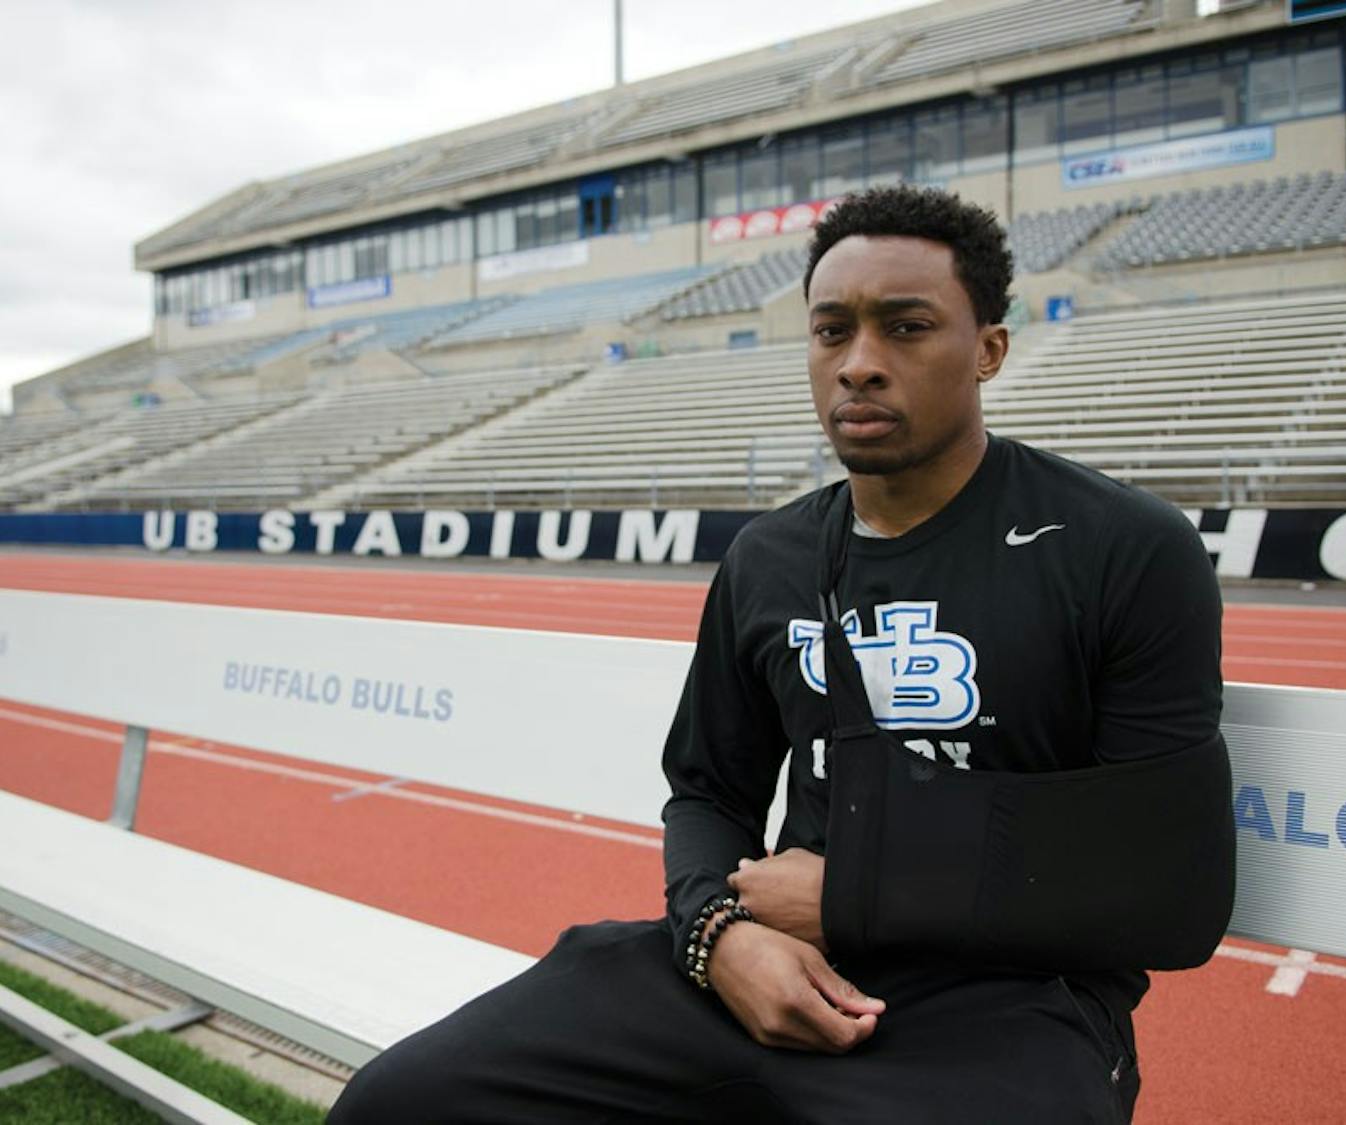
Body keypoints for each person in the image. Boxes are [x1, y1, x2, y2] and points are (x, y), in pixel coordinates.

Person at [328, 185, 1233, 1124]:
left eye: (907, 327)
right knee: (397, 1104)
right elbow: (710, 792)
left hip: (1006, 1005)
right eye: (831, 331)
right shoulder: (769, 557)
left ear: (989, 350)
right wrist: (716, 937)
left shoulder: (1121, 548)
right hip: (767, 962)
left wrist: (859, 894)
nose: (860, 365)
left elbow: (1172, 891)